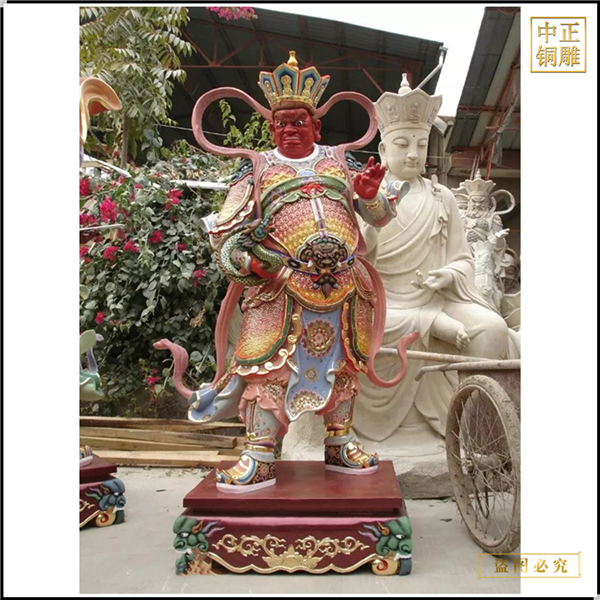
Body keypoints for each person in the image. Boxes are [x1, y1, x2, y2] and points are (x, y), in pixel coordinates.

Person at [156, 53, 417, 492]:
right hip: (280, 287)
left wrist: (371, 196)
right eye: (281, 123)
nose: (290, 129)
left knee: (344, 366)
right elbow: (225, 235)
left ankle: (340, 445)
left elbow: (380, 217)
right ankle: (260, 455)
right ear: (271, 127)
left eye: (299, 121)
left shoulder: (342, 163)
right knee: (267, 369)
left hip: (345, 286)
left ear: (317, 126)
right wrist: (252, 264)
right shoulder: (256, 168)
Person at [353, 74, 520, 443]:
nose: (413, 153)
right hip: (385, 306)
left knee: (492, 329)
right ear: (383, 149)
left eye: (422, 144)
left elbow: (464, 259)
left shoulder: (442, 197)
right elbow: (356, 264)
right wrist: (368, 214)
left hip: (438, 298)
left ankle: (476, 436)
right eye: (403, 144)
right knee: (349, 326)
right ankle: (428, 327)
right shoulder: (367, 195)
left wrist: (449, 274)